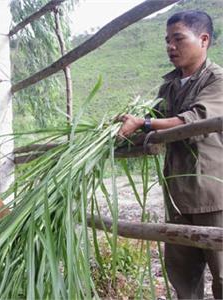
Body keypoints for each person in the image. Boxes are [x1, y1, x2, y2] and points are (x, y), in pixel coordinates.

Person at [118, 10, 223, 299]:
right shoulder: (170, 86)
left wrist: (144, 123)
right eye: (167, 40)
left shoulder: (217, 80)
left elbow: (196, 119)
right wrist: (126, 127)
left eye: (178, 39)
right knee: (182, 277)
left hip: (213, 195)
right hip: (177, 195)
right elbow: (154, 122)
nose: (170, 47)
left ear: (203, 40)